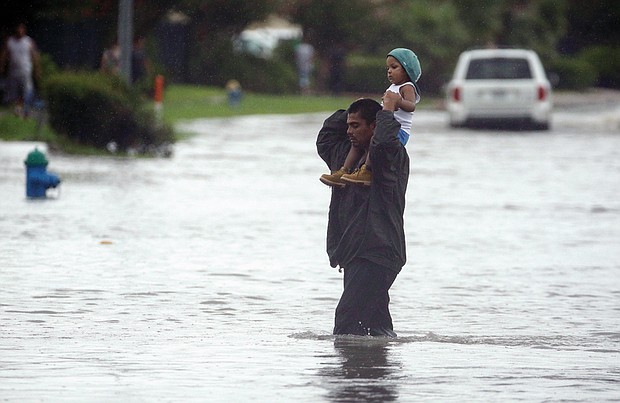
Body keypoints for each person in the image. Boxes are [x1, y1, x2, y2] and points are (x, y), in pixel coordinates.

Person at [316, 96, 410, 337]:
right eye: (348, 125)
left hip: (377, 251)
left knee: (347, 323)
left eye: (356, 125)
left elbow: (385, 143)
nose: (349, 131)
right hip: (354, 252)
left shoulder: (390, 158)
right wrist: (359, 103)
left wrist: (386, 112)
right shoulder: (344, 159)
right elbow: (326, 135)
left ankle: (347, 372)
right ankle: (376, 370)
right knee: (375, 327)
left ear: (375, 127)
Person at [320, 48, 421, 187]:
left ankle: (367, 171)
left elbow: (411, 106)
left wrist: (398, 101)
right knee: (357, 142)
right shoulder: (392, 87)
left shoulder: (407, 87)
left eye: (394, 67)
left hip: (397, 132)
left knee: (374, 139)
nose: (389, 71)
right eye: (388, 68)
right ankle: (344, 170)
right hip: (383, 125)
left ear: (407, 70)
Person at [0, 22, 41, 118]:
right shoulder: (10, 41)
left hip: (26, 71)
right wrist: (1, 67)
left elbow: (35, 56)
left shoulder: (28, 41)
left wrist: (37, 69)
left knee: (27, 91)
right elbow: (4, 55)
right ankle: (18, 108)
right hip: (13, 72)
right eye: (18, 28)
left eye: (21, 29)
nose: (20, 31)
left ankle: (25, 110)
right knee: (14, 93)